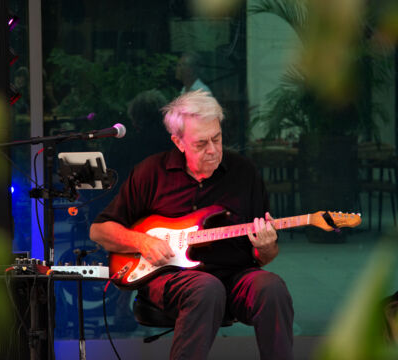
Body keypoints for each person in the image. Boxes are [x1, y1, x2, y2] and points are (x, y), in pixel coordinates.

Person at [89, 90, 294, 360]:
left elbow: (264, 256)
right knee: (206, 289)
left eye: (217, 139)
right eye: (201, 143)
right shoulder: (151, 173)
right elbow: (99, 230)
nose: (213, 149)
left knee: (272, 288)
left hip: (234, 277)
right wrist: (142, 242)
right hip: (170, 279)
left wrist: (266, 248)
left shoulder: (244, 173)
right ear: (179, 142)